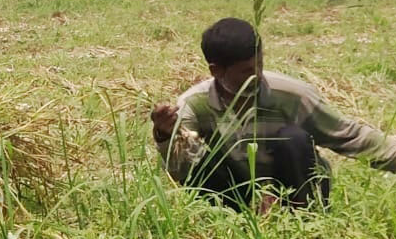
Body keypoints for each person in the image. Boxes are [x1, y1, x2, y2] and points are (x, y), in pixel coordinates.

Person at [151, 17, 396, 211]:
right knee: (205, 158)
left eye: (260, 64)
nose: (257, 74)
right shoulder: (194, 104)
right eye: (247, 70)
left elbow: (349, 136)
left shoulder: (291, 95)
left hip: (296, 191)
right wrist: (164, 135)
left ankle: (305, 221)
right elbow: (182, 173)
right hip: (236, 197)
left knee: (293, 138)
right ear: (216, 70)